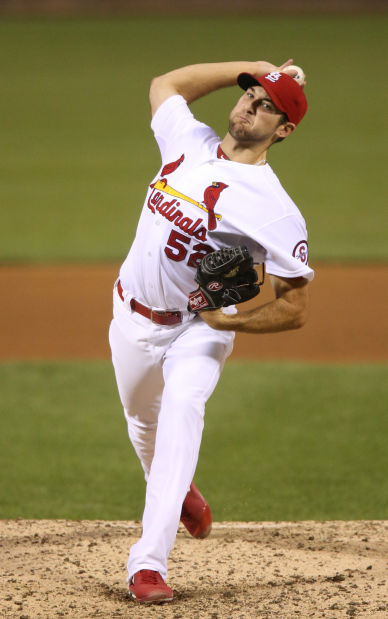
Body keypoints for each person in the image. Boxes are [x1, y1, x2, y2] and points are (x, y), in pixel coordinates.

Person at [109, 59, 314, 603]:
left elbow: (294, 307)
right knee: (141, 424)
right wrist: (250, 68)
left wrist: (230, 321)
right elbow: (165, 85)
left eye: (267, 105)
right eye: (251, 95)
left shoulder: (275, 209)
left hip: (197, 330)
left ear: (284, 129)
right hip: (130, 316)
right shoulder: (188, 140)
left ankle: (147, 565)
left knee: (182, 408)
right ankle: (178, 492)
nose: (250, 105)